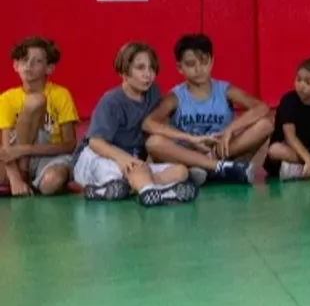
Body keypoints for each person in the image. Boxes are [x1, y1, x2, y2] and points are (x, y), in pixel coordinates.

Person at [72, 42, 198, 206]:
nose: (148, 74)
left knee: (180, 172)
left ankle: (129, 188)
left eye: (151, 68)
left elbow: (155, 130)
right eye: (140, 68)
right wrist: (123, 158)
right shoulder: (111, 101)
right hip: (96, 157)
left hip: (133, 162)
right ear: (124, 72)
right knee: (135, 170)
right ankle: (148, 191)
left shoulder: (153, 93)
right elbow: (95, 142)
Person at [143, 34, 266, 185]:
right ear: (179, 67)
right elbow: (148, 123)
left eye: (204, 62)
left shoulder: (224, 90)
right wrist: (189, 138)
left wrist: (231, 129)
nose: (198, 69)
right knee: (153, 143)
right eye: (191, 64)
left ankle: (209, 168)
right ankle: (218, 169)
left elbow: (261, 107)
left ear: (212, 61)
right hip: (187, 153)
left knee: (265, 125)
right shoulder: (175, 96)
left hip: (219, 150)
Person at [0, 37, 78, 196]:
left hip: (47, 155)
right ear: (15, 65)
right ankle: (23, 175)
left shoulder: (61, 94)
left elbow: (70, 144)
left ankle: (28, 177)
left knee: (52, 182)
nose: (29, 66)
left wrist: (26, 150)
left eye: (37, 61)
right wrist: (15, 178)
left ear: (49, 68)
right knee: (34, 101)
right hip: (14, 160)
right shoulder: (6, 98)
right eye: (24, 60)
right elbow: (6, 148)